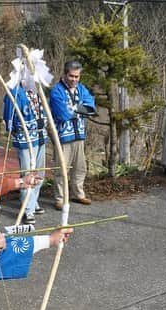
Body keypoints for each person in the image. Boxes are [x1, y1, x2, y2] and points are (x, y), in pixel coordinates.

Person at [48, 60, 96, 210]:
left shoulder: (81, 89)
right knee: (61, 169)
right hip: (63, 136)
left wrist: (74, 108)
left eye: (77, 76)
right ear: (65, 74)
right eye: (71, 76)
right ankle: (60, 198)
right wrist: (78, 109)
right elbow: (62, 113)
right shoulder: (57, 91)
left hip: (79, 134)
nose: (74, 79)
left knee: (80, 167)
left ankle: (78, 194)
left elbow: (90, 106)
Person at [3, 83, 47, 225]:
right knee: (27, 172)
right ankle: (27, 209)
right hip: (25, 136)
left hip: (40, 135)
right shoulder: (15, 91)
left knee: (40, 171)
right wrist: (11, 129)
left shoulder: (37, 88)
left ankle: (34, 202)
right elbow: (8, 114)